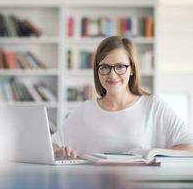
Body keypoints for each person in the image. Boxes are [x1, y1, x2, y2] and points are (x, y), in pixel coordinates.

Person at [52, 36, 193, 159]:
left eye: (120, 66)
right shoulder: (84, 110)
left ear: (131, 69)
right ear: (97, 70)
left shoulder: (153, 107)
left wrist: (153, 153)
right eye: (105, 67)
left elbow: (189, 147)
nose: (112, 75)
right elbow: (51, 146)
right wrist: (59, 153)